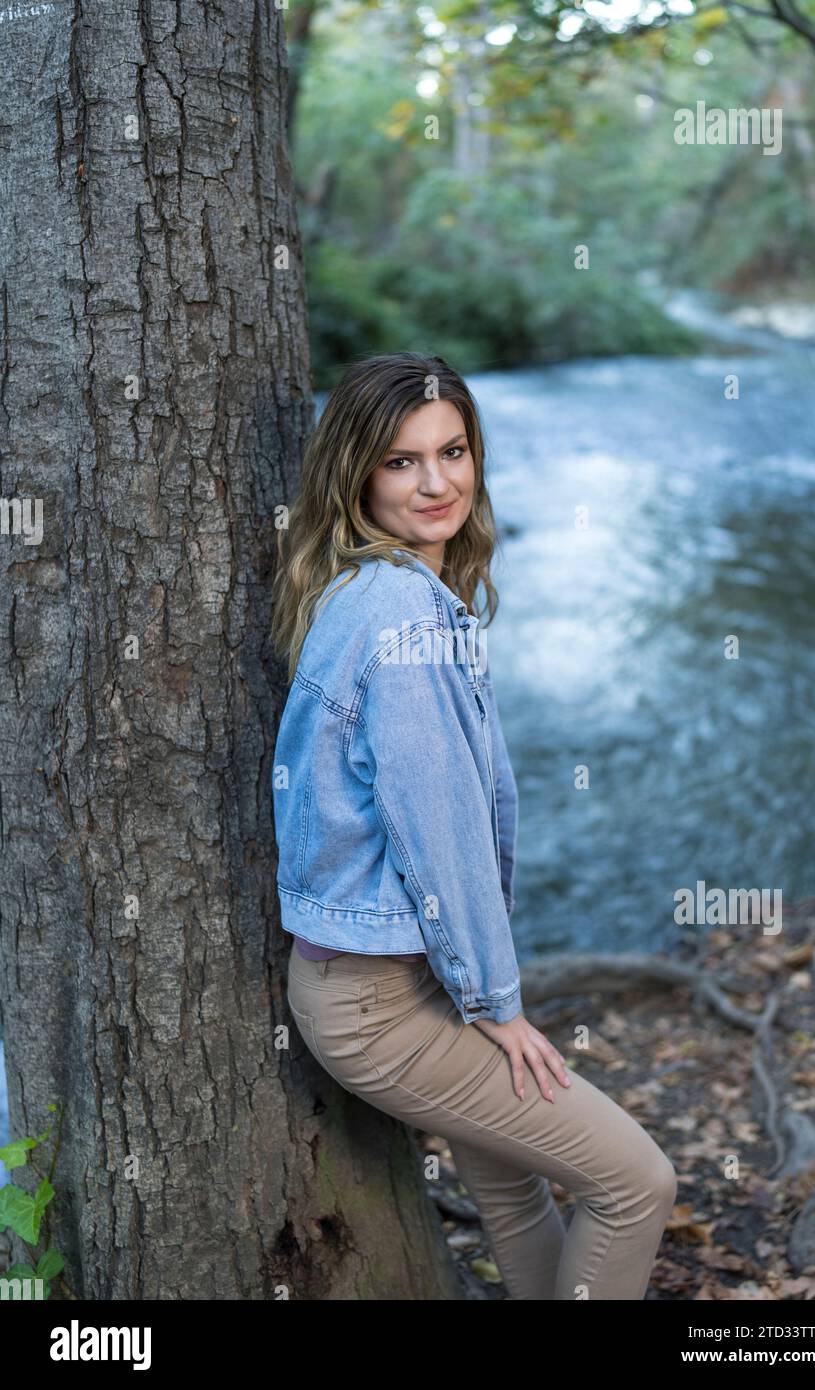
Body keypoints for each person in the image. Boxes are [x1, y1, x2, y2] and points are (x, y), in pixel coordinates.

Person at [270, 351, 677, 1300]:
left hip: (387, 977)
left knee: (518, 1194)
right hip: (383, 1007)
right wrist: (497, 1004)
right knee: (636, 1184)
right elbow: (438, 833)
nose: (438, 482)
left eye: (452, 451)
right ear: (357, 474)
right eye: (402, 462)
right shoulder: (405, 619)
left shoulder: (370, 590)